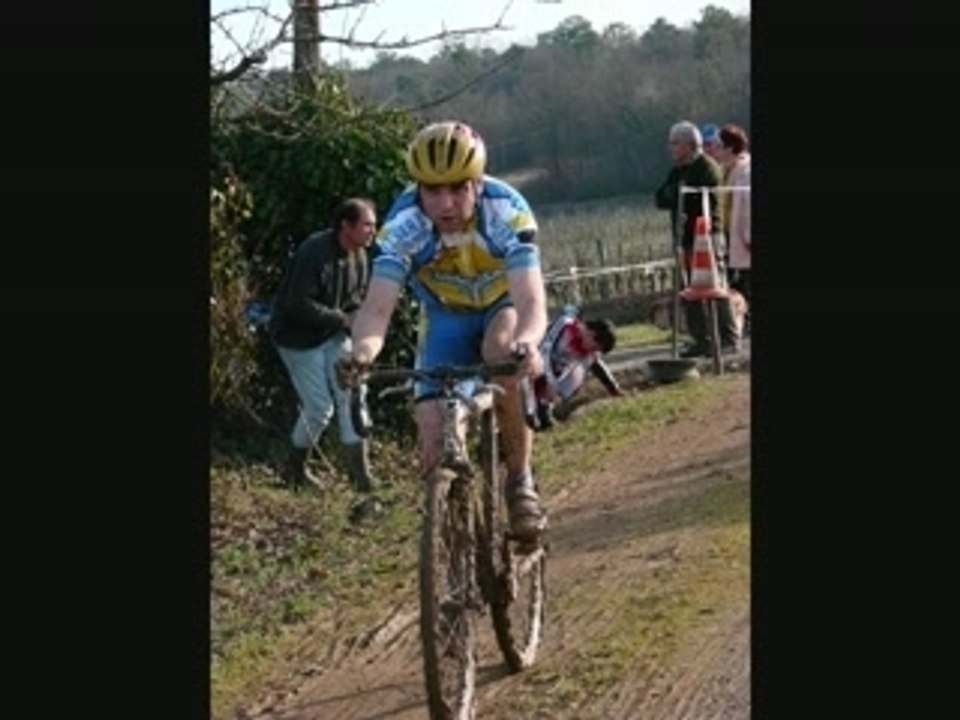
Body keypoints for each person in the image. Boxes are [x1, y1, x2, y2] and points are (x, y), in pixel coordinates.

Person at [338, 120, 549, 542]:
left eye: (457, 188)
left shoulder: (507, 211)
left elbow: (529, 300)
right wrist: (360, 353)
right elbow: (377, 307)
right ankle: (453, 544)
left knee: (502, 353)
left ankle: (520, 480)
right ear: (418, 190)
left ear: (477, 184)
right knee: (433, 433)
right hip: (446, 317)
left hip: (500, 306)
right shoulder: (402, 225)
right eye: (432, 191)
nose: (445, 203)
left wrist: (529, 342)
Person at [268, 197, 380, 492]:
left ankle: (362, 478)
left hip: (332, 334)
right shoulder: (313, 252)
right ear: (346, 225)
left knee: (353, 395)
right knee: (319, 408)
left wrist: (362, 323)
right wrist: (344, 319)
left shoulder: (360, 255)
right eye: (367, 225)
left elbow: (355, 301)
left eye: (374, 225)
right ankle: (293, 471)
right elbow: (297, 304)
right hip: (298, 338)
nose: (372, 232)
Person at [654, 121, 740, 358]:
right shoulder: (676, 171)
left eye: (675, 143)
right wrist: (675, 193)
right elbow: (661, 198)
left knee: (716, 286)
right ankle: (701, 340)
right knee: (689, 290)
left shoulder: (706, 167)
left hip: (707, 236)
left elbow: (692, 198)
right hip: (684, 239)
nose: (671, 148)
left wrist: (678, 193)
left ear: (689, 145)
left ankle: (729, 337)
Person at [532, 305, 625, 430]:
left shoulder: (588, 350)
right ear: (591, 334)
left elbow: (596, 364)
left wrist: (614, 389)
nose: (593, 351)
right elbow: (544, 353)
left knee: (575, 373)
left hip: (554, 370)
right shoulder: (565, 324)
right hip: (534, 354)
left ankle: (544, 409)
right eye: (595, 347)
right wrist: (551, 383)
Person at [717, 123, 751, 337]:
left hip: (744, 236)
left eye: (719, 146)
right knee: (739, 282)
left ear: (730, 148)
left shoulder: (745, 171)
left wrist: (748, 234)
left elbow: (747, 206)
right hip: (729, 235)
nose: (716, 150)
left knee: (748, 281)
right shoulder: (726, 170)